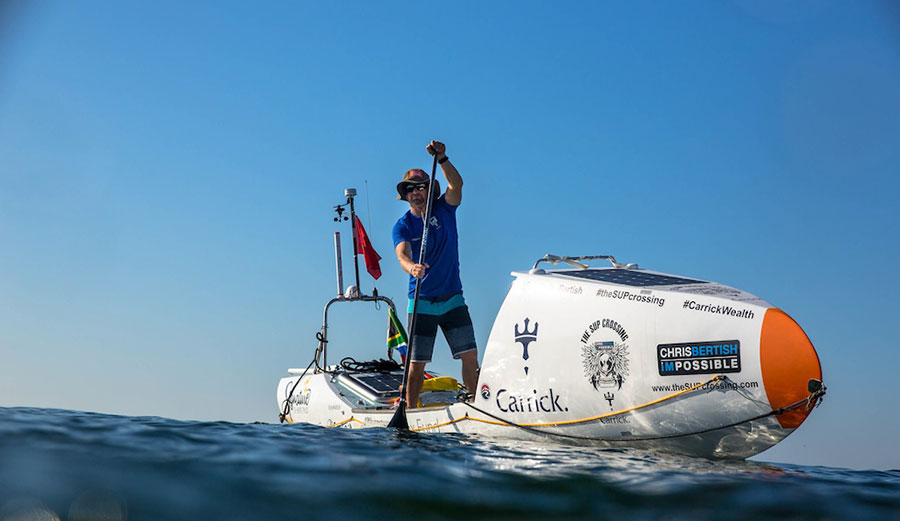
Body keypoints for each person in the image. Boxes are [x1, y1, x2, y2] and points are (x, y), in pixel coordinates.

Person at [392, 140, 479, 408]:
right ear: (405, 195)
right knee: (417, 364)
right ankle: (410, 407)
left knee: (470, 356)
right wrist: (412, 267)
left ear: (429, 190)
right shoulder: (403, 225)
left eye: (421, 188)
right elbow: (402, 255)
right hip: (422, 301)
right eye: (411, 190)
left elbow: (457, 186)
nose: (417, 193)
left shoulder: (444, 208)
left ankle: (477, 404)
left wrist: (442, 159)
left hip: (453, 298)